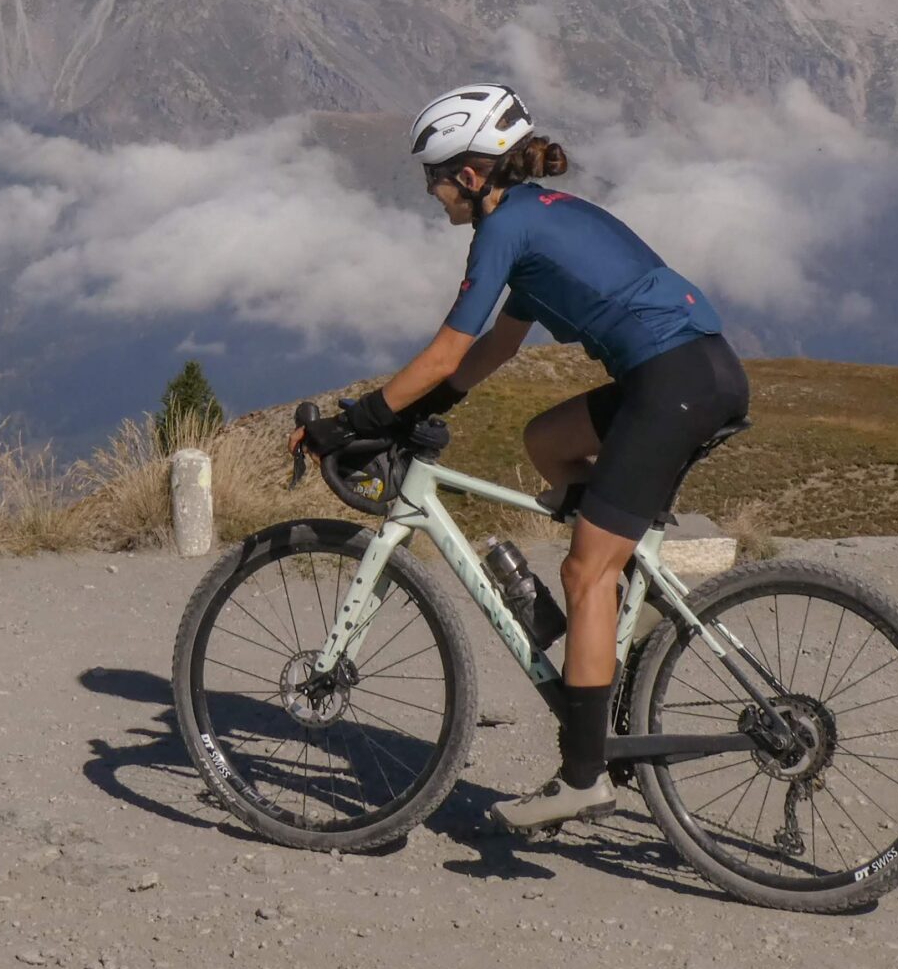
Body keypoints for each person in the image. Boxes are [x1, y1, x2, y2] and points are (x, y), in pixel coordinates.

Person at [292, 82, 751, 832]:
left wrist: (360, 421)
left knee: (583, 568)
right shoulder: (542, 217)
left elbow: (448, 351)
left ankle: (582, 775)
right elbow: (499, 346)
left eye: (434, 177)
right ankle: (603, 627)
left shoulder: (504, 230)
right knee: (549, 442)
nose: (431, 193)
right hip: (696, 371)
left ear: (471, 177)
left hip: (673, 385)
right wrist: (426, 414)